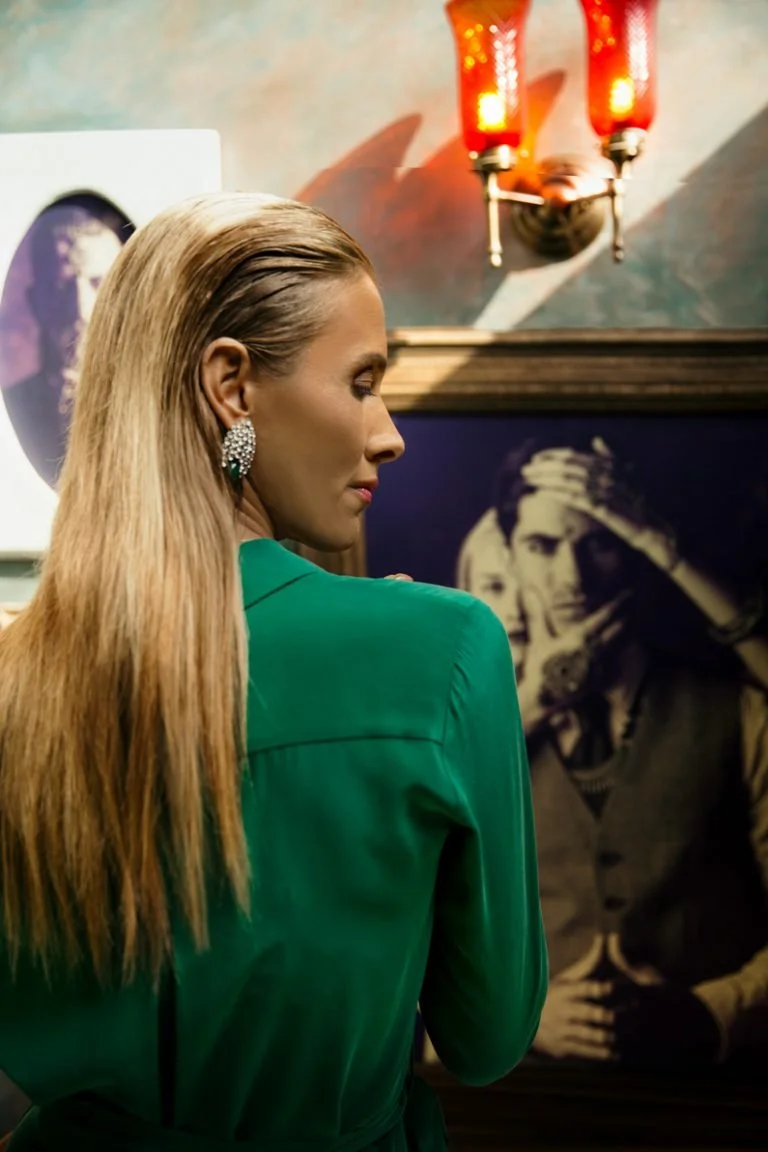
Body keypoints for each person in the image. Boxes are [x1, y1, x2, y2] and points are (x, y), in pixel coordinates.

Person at [0, 192, 547, 1151]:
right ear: (233, 386)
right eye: (363, 382)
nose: (388, 433)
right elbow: (488, 1037)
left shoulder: (14, 682)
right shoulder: (441, 651)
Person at [493, 436, 768, 1070]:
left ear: (636, 554)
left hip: (713, 1098)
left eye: (600, 544)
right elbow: (398, 916)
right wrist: (517, 1018)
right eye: (542, 546)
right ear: (510, 556)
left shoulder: (739, 713)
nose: (572, 579)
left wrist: (710, 1013)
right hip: (525, 1102)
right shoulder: (469, 726)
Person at [1, 195, 128, 489]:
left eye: (97, 284)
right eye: (61, 287)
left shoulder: (157, 404)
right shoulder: (21, 405)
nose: (80, 310)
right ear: (36, 301)